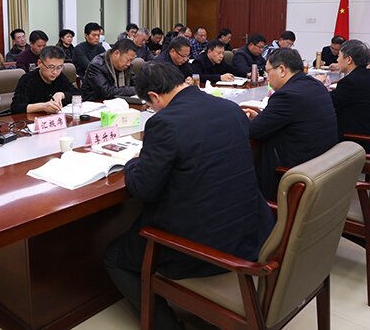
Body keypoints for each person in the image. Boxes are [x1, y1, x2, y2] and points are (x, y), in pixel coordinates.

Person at [104, 62, 274, 330]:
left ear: (153, 97)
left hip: (204, 245)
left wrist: (133, 162)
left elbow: (144, 189)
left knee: (115, 257)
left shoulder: (164, 122)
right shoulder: (230, 108)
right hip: (250, 230)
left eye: (149, 105)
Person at [244, 48, 338, 199]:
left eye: (268, 71)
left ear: (282, 70)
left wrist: (245, 119)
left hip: (295, 174)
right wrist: (262, 117)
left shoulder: (287, 95)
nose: (267, 77)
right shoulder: (315, 85)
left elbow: (253, 131)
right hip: (320, 166)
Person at [326, 40, 370, 153]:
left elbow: (329, 103)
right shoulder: (369, 75)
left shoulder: (351, 82)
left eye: (339, 56)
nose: (337, 60)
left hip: (359, 142)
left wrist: (319, 86)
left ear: (349, 60)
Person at [10, 46, 80, 114]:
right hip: (33, 119)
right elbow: (16, 107)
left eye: (59, 67)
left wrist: (61, 94)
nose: (55, 72)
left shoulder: (59, 77)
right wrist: (42, 107)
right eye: (51, 67)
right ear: (39, 63)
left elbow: (77, 94)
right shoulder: (27, 79)